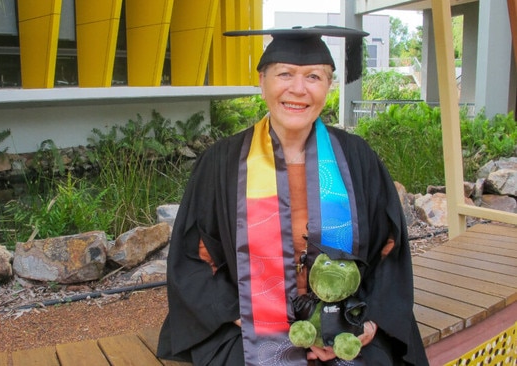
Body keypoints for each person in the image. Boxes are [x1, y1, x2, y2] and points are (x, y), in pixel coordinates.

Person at [157, 25, 429, 366]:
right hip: (249, 321)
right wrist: (238, 313)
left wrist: (363, 319)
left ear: (329, 85)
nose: (298, 89)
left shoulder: (357, 158)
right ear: (262, 81)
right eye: (285, 74)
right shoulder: (222, 163)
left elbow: (389, 247)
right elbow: (195, 253)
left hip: (344, 318)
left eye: (313, 77)